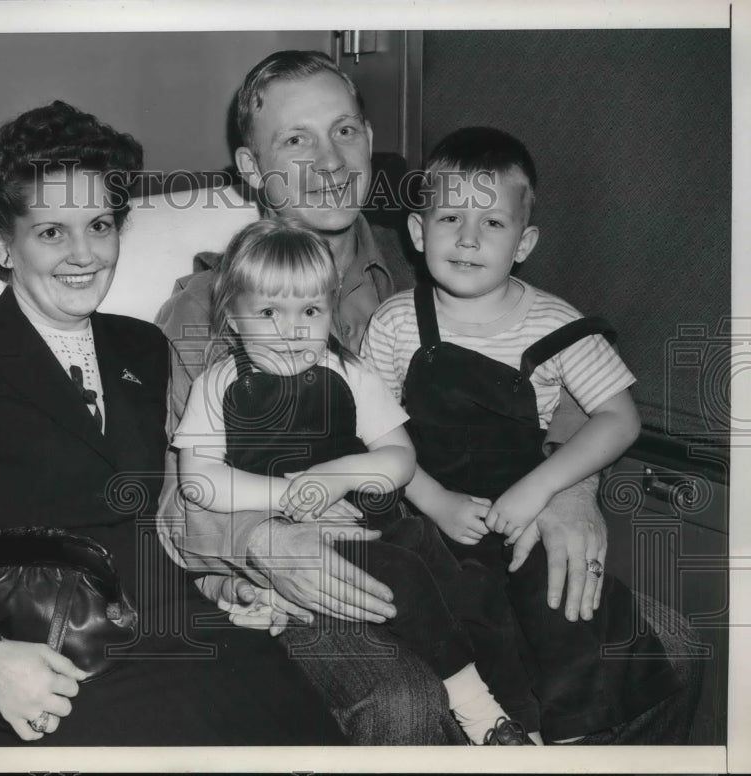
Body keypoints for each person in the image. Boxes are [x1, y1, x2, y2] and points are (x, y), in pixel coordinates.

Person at [156, 49, 648, 744]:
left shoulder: (435, 255)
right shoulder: (208, 310)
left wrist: (570, 490)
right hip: (310, 565)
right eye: (296, 140)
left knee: (661, 649)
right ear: (248, 168)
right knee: (409, 702)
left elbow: (558, 380)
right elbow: (177, 501)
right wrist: (263, 539)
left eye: (346, 131)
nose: (330, 162)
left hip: (450, 539)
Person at [0, 101, 346, 746]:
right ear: (5, 243)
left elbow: (164, 512)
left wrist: (224, 582)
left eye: (99, 224)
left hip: (191, 630)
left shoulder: (141, 346)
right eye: (52, 232)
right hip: (51, 657)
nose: (84, 255)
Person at [362, 126, 684, 742]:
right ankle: (511, 730)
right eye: (450, 216)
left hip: (525, 508)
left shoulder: (557, 323)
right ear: (416, 231)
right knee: (457, 607)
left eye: (493, 224)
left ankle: (570, 737)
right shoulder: (396, 322)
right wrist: (434, 499)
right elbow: (371, 432)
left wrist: (541, 491)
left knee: (566, 608)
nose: (467, 237)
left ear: (525, 242)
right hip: (428, 509)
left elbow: (620, 419)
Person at [175, 218, 544, 744]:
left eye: (309, 311)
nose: (292, 331)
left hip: (376, 525)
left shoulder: (348, 372)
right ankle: (480, 713)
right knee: (405, 578)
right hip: (301, 542)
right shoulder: (220, 384)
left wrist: (337, 475)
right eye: (268, 313)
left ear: (329, 310)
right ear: (232, 318)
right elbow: (199, 482)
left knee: (474, 590)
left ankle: (527, 720)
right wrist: (294, 492)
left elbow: (399, 459)